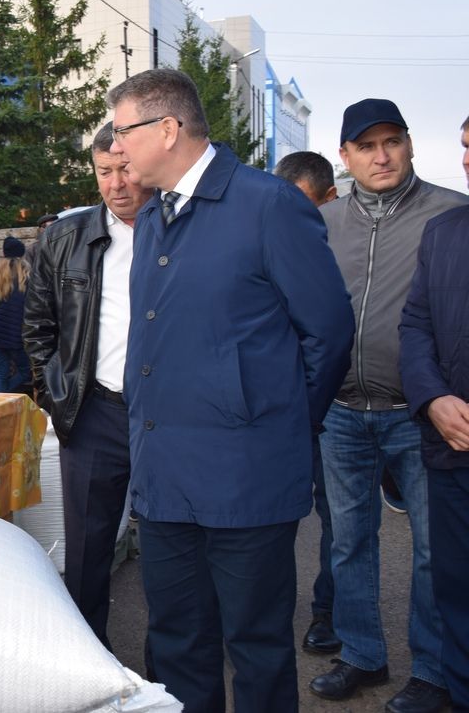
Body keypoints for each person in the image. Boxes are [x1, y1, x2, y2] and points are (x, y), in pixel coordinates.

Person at [107, 68, 354, 712]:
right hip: (164, 480)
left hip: (247, 479)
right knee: (177, 643)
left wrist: (273, 422)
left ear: (167, 128)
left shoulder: (269, 204)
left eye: (123, 130)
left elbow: (326, 334)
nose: (116, 146)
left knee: (257, 646)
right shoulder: (157, 215)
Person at [311, 98, 467, 713]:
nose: (382, 156)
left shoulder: (451, 215)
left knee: (434, 549)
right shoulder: (325, 224)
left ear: (409, 145)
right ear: (344, 158)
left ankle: (432, 669)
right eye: (366, 146)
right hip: (343, 410)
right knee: (349, 541)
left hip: (420, 414)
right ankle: (361, 655)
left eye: (392, 142)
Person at [22, 119, 153, 648]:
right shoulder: (65, 237)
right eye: (104, 172)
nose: (117, 183)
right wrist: (55, 397)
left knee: (171, 549)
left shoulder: (181, 230)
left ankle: (168, 673)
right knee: (88, 551)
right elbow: (38, 326)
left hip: (167, 416)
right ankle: (88, 657)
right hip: (93, 411)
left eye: (125, 168)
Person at [399, 114, 469, 711]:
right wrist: (432, 398)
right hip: (454, 450)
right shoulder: (445, 233)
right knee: (457, 586)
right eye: (468, 148)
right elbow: (416, 325)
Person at [273, 149, 344, 656]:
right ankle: (265, 614)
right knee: (271, 519)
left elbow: (331, 333)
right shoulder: (270, 237)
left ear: (329, 198)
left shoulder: (345, 238)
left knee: (340, 520)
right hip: (284, 407)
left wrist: (311, 406)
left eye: (304, 204)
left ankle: (329, 612)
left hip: (336, 404)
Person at [0, 236, 30, 393]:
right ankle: (2, 398)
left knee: (2, 372)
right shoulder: (25, 274)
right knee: (26, 371)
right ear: (21, 254)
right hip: (15, 330)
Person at [274, 150, 339, 207]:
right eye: (280, 201)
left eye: (300, 202)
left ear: (330, 195)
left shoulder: (345, 219)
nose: (286, 209)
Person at [23, 212, 60, 276]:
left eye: (56, 227)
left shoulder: (63, 245)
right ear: (42, 229)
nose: (55, 230)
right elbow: (28, 273)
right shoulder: (32, 250)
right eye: (51, 227)